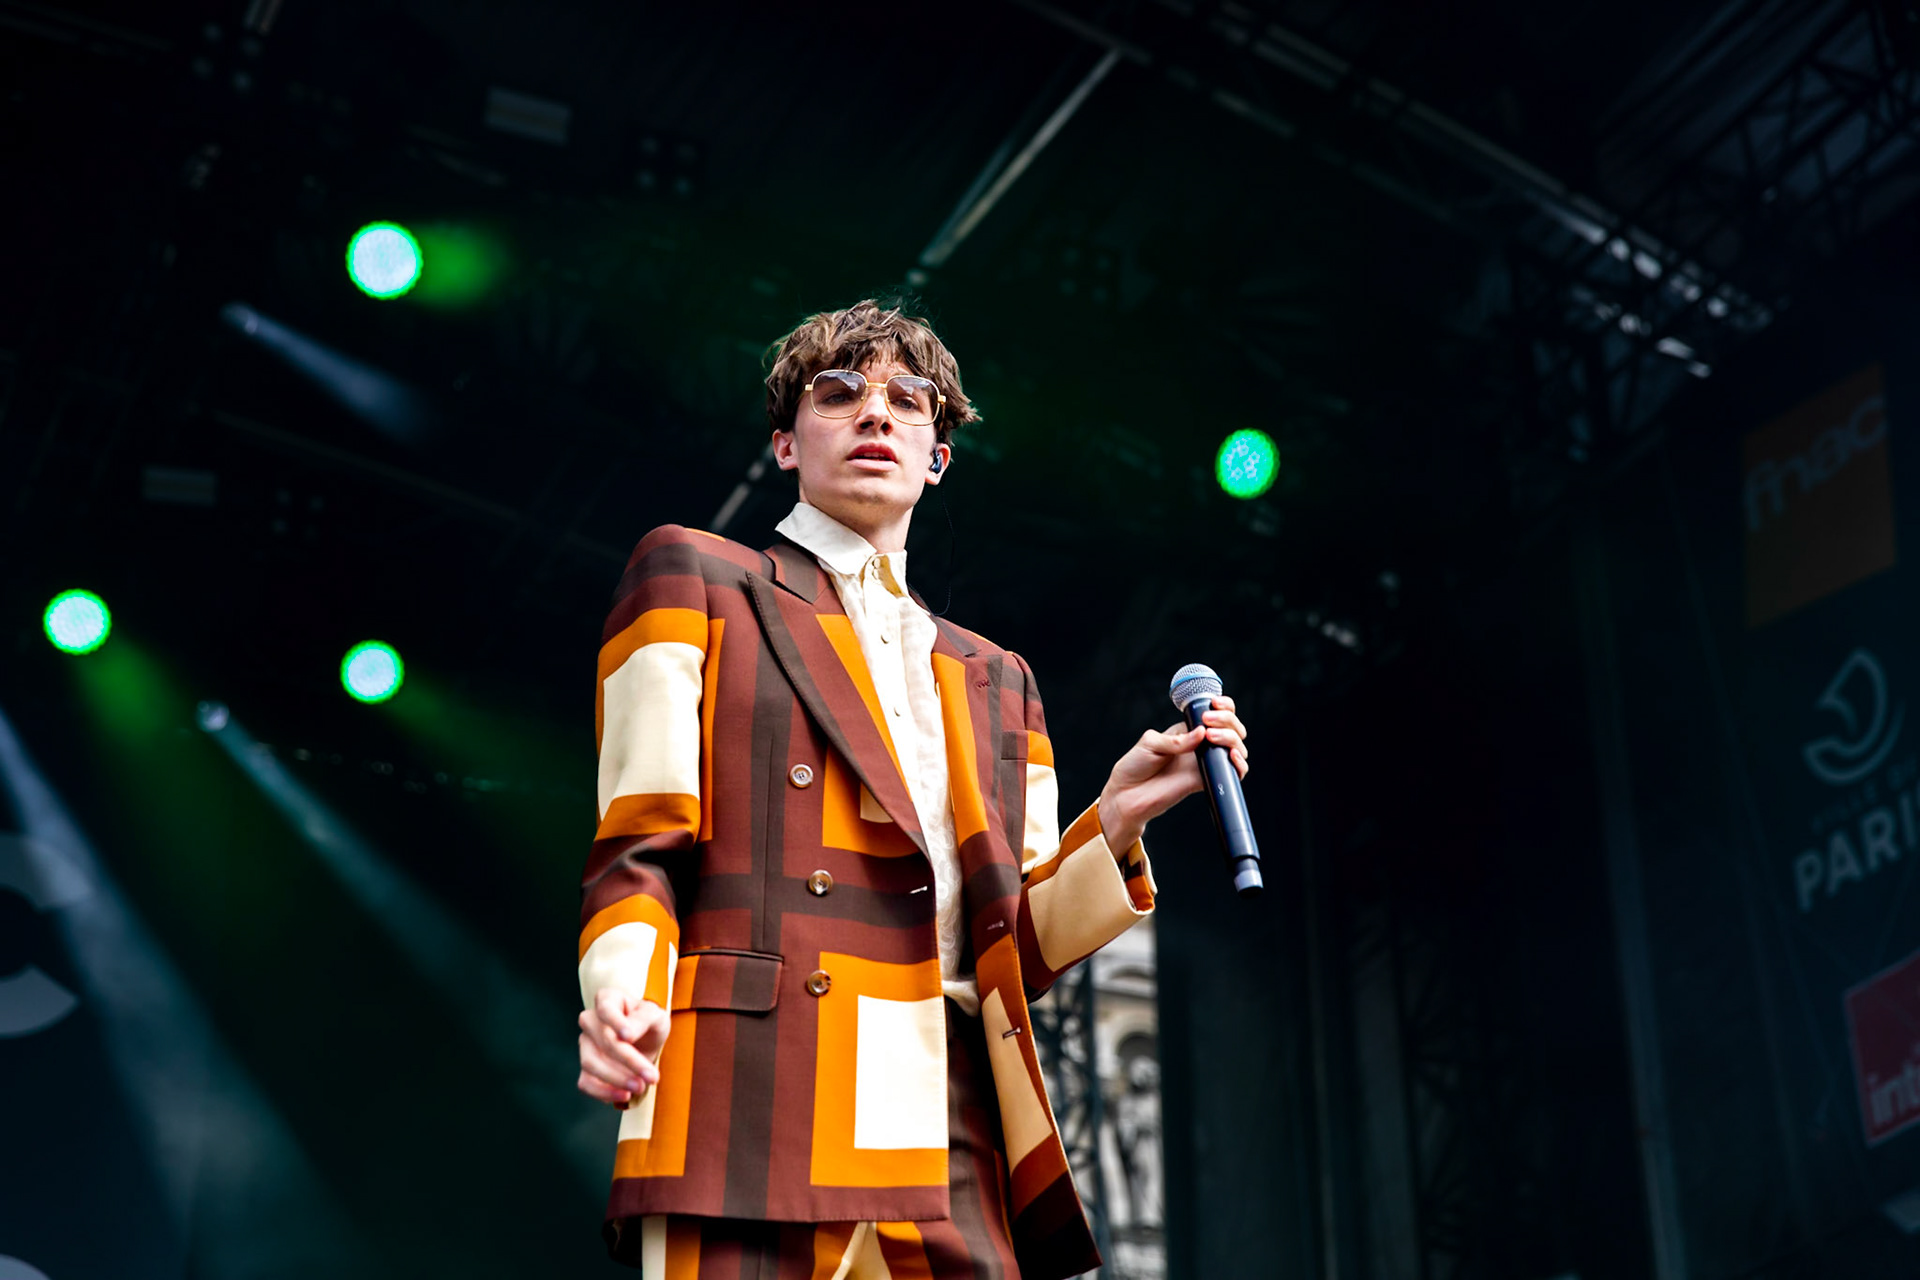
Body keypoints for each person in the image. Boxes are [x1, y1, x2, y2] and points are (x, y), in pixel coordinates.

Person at [575, 300, 1249, 1279]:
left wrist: (1120, 814)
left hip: (953, 1111)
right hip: (760, 1087)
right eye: (839, 395)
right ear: (784, 444)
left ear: (938, 455)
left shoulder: (996, 675)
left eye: (905, 401)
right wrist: (622, 997)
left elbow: (1012, 941)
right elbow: (640, 839)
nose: (875, 416)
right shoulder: (698, 575)